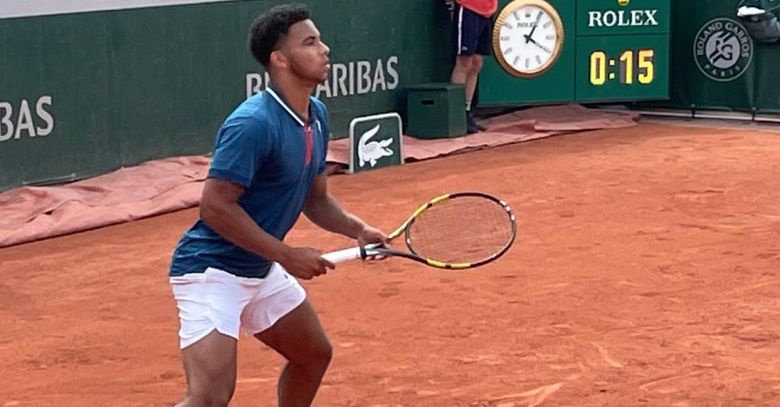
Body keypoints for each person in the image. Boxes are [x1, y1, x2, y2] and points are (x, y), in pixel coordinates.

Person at [167, 4, 386, 406]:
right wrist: (286, 254)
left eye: (319, 39)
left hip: (259, 267)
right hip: (212, 271)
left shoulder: (316, 115)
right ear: (280, 59)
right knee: (210, 396)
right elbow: (215, 207)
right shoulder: (253, 123)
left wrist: (358, 229)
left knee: (312, 355)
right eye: (310, 42)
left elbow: (316, 199)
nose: (325, 49)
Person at [447, 0, 498, 133]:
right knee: (464, 62)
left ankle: (467, 110)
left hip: (488, 10)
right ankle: (457, 114)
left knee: (477, 62)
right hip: (468, 7)